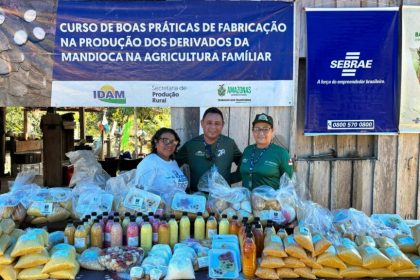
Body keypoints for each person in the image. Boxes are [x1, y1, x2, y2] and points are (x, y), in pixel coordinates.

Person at [176, 107, 242, 193]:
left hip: (222, 198)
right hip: (197, 197)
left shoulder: (229, 144)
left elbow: (245, 164)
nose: (213, 127)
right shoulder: (191, 145)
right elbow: (171, 165)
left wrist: (230, 179)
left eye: (217, 123)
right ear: (202, 123)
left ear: (222, 125)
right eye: (209, 123)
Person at [134, 128, 188, 204]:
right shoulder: (149, 163)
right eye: (165, 140)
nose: (170, 145)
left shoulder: (173, 162)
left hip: (178, 210)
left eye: (173, 142)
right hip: (159, 213)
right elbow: (139, 193)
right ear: (156, 142)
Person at [240, 113, 293, 190]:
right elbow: (240, 174)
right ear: (252, 131)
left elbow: (288, 183)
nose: (261, 133)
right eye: (257, 129)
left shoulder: (282, 153)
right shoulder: (247, 150)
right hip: (247, 200)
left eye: (265, 129)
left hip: (269, 201)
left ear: (272, 131)